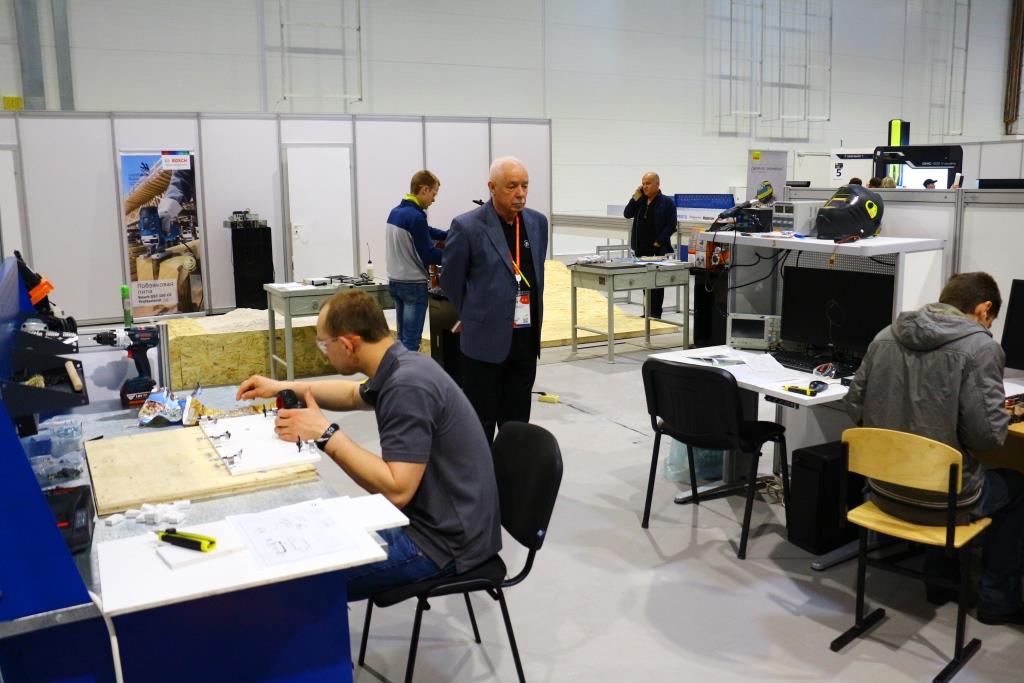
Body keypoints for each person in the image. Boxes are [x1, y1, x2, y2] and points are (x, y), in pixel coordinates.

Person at [235, 290, 501, 600]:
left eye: (325, 345)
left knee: (301, 583)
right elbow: (351, 395)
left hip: (442, 543)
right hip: (437, 523)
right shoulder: (401, 363)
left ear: (348, 344)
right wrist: (282, 386)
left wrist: (325, 433)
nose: (324, 353)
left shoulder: (407, 387)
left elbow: (397, 491)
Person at [844, 272, 1024, 624]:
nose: (988, 328)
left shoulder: (885, 335)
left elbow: (855, 407)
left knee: (939, 468)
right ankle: (998, 601)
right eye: (990, 321)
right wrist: (1001, 416)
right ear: (984, 309)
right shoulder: (981, 349)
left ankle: (938, 580)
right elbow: (987, 440)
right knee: (1015, 486)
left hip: (882, 491)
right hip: (942, 505)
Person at [441, 156, 548, 442]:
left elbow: (536, 272)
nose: (520, 193)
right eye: (512, 186)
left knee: (517, 422)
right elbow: (450, 280)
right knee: (480, 422)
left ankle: (512, 468)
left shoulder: (537, 223)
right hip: (484, 341)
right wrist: (472, 313)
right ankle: (482, 471)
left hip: (525, 339)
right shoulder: (467, 226)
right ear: (492, 187)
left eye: (525, 185)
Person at [385, 170, 447, 352]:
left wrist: (449, 234)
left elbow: (424, 231)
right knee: (411, 344)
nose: (434, 199)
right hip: (413, 285)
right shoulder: (416, 217)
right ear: (424, 189)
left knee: (402, 340)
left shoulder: (396, 213)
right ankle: (408, 371)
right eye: (434, 194)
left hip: (396, 282)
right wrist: (455, 255)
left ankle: (399, 369)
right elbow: (428, 255)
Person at [623, 172, 677, 318]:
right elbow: (627, 214)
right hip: (641, 248)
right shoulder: (640, 201)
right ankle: (647, 313)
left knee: (657, 283)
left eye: (648, 183)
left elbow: (671, 225)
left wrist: (658, 242)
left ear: (657, 184)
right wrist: (635, 197)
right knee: (645, 282)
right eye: (643, 183)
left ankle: (656, 314)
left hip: (657, 249)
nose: (645, 186)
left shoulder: (667, 202)